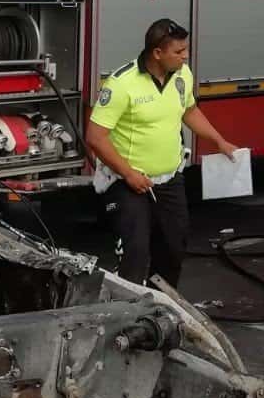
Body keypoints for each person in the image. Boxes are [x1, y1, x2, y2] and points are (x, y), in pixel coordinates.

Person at [85, 18, 237, 287]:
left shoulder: (182, 76)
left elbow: (189, 110)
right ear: (157, 53)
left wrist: (219, 140)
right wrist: (129, 174)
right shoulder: (121, 83)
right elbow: (96, 137)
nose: (185, 56)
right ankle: (128, 315)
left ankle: (161, 310)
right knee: (135, 252)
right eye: (179, 52)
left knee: (173, 249)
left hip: (169, 180)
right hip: (128, 183)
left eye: (186, 49)